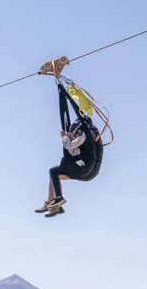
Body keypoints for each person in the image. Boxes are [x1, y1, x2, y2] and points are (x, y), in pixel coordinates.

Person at [35, 82, 103, 218]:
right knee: (55, 174)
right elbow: (79, 147)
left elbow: (70, 146)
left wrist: (65, 138)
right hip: (91, 171)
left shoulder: (84, 133)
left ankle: (59, 198)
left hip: (85, 169)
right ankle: (52, 204)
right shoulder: (93, 133)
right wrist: (71, 139)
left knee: (53, 171)